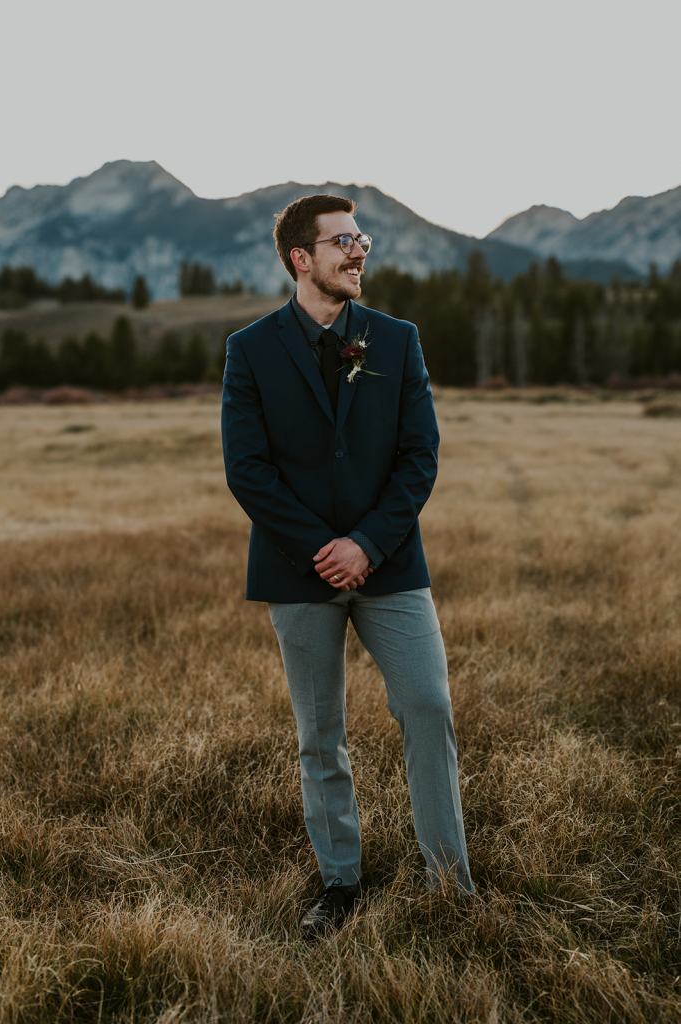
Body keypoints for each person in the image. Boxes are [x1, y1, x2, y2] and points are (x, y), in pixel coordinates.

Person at [220, 194, 475, 939]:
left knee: (428, 707)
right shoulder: (252, 348)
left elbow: (419, 455)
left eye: (361, 238)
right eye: (342, 241)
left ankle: (449, 885)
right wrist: (320, 549)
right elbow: (248, 469)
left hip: (391, 566)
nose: (359, 251)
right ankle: (339, 883)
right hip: (297, 572)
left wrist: (366, 542)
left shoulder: (397, 340)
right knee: (319, 732)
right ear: (302, 259)